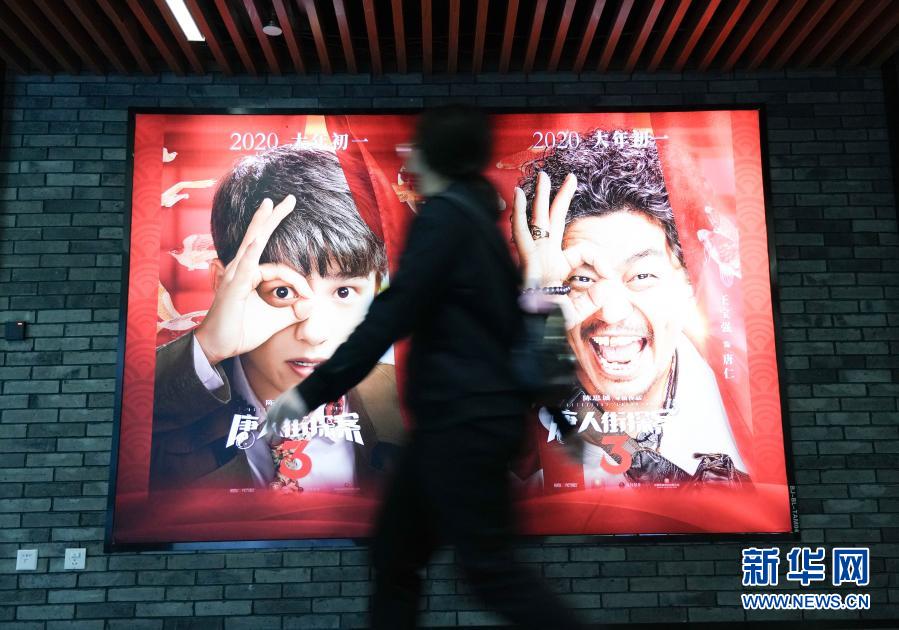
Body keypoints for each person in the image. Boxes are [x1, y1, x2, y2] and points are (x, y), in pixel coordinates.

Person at [270, 106, 582, 629]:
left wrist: (309, 391)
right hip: (468, 424)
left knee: (481, 570)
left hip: (460, 425)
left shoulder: (445, 219)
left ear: (435, 155)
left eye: (417, 146)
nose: (408, 155)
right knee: (402, 558)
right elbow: (512, 329)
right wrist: (559, 416)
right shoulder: (477, 224)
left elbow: (392, 314)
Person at [150, 144, 404, 493]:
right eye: (282, 292)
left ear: (375, 287)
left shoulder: (410, 400)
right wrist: (206, 347)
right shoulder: (164, 409)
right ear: (223, 284)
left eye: (344, 292)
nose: (314, 333)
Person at [512, 132, 748, 490]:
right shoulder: (519, 446)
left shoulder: (747, 404)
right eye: (582, 279)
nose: (612, 312)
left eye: (642, 276)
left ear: (688, 283)